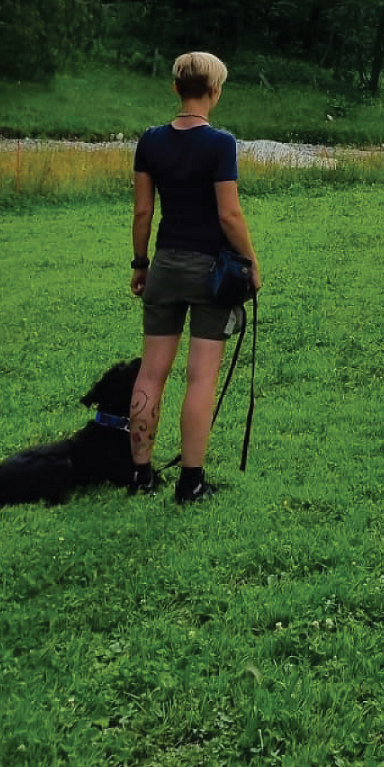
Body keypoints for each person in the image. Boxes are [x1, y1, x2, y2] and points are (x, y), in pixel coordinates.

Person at [128, 52, 261, 503]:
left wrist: (140, 263)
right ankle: (191, 481)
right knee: (200, 377)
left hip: (165, 265)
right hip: (210, 272)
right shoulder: (220, 143)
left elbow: (143, 212)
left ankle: (141, 474)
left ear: (175, 89)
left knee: (151, 372)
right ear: (215, 92)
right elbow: (229, 214)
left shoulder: (150, 141)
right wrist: (251, 262)